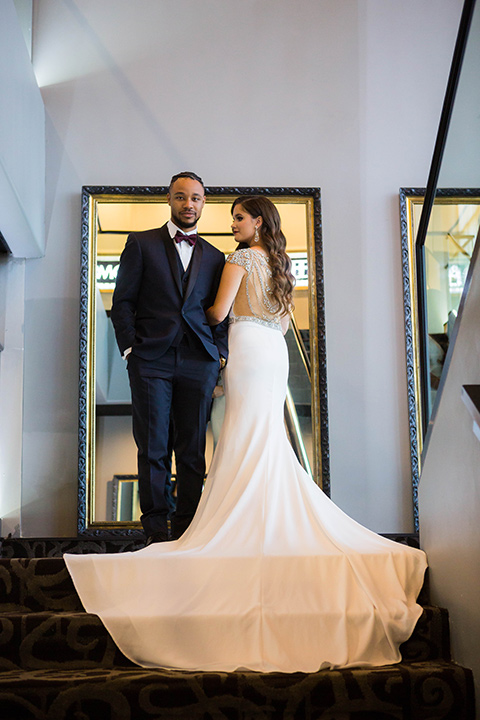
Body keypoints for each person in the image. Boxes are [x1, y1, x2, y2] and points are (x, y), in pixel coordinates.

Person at [66, 195, 427, 673]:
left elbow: (216, 313)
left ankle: (233, 523)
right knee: (264, 440)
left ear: (257, 221)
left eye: (238, 216)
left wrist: (198, 322)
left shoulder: (237, 258)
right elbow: (281, 320)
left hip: (245, 348)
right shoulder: (279, 262)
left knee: (237, 437)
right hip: (271, 351)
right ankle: (262, 522)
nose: (231, 223)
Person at [110, 171, 228, 543]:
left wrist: (219, 354)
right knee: (153, 445)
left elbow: (220, 311)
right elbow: (122, 302)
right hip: (151, 360)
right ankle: (156, 532)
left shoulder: (215, 256)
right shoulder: (141, 244)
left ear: (203, 203)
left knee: (192, 450)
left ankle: (188, 530)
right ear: (169, 199)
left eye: (195, 198)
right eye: (181, 197)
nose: (188, 204)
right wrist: (131, 348)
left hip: (199, 361)